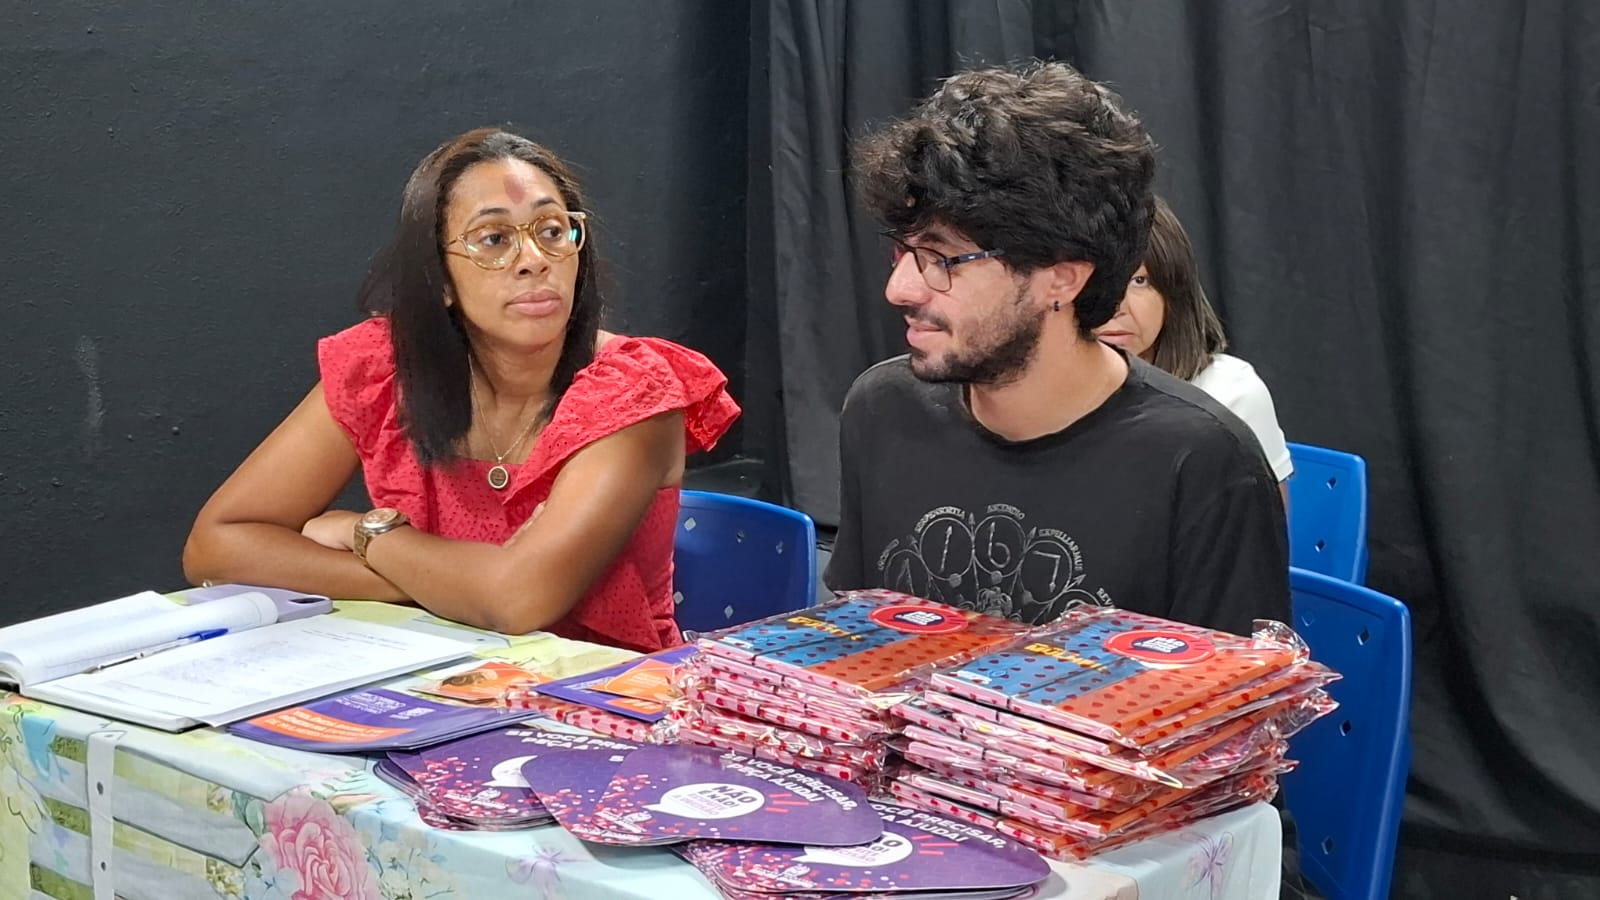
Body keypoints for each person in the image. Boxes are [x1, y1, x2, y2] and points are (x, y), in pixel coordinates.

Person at [183, 127, 740, 653]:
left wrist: (368, 533)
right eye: (493, 240)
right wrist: (440, 585)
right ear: (440, 280)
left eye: (552, 231)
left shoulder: (631, 391)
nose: (533, 261)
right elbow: (216, 544)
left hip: (606, 695)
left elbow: (517, 600)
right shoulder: (384, 369)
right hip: (434, 676)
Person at [824, 62, 1288, 637]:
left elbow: (1228, 693)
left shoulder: (1200, 461)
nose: (900, 289)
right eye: (903, 252)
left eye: (941, 260)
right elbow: (854, 647)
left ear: (1062, 279)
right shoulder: (882, 409)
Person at [1095, 196, 1294, 496]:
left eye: (1139, 281)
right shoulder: (1036, 396)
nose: (1116, 306)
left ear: (1174, 293)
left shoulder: (1230, 395)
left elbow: (1264, 523)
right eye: (1097, 281)